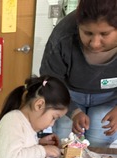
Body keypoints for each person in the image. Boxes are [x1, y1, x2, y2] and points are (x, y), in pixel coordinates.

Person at [40, 0, 117, 147]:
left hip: (110, 97)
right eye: (87, 33)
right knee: (66, 141)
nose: (94, 43)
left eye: (104, 34)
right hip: (68, 94)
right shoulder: (63, 36)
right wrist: (73, 111)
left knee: (98, 143)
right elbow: (51, 80)